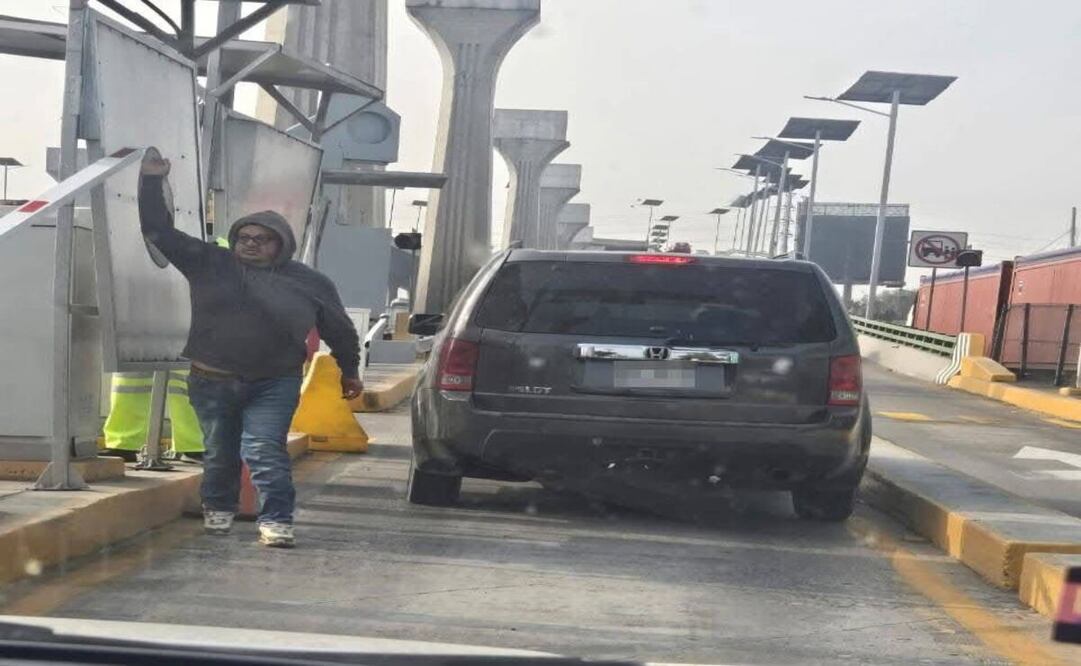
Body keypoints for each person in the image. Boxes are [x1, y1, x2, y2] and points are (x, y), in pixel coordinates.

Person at [138, 148, 362, 548]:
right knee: (220, 453)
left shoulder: (309, 282)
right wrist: (153, 181)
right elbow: (159, 231)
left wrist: (350, 370)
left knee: (263, 450)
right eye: (244, 237)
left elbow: (340, 330)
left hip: (273, 382)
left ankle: (276, 519)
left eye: (262, 240)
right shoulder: (211, 263)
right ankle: (219, 509)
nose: (251, 244)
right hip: (212, 380)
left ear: (282, 245)